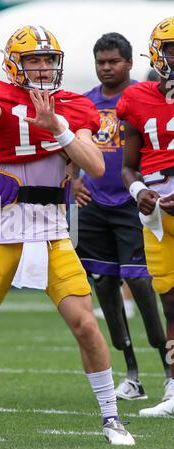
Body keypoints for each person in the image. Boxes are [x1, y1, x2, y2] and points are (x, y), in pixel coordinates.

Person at [0, 25, 135, 445]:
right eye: (34, 58)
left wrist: (59, 128)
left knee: (86, 326)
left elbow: (98, 165)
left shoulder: (72, 104)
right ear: (15, 63)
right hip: (4, 230)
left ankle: (110, 416)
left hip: (52, 231)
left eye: (49, 59)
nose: (44, 66)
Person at [72, 32, 172, 401]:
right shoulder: (85, 102)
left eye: (114, 61)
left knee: (145, 285)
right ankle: (131, 372)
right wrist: (73, 180)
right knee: (102, 282)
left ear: (130, 63)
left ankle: (167, 369)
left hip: (135, 203)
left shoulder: (143, 97)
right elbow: (69, 146)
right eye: (101, 62)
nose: (106, 68)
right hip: (95, 204)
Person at [117, 16, 174, 416]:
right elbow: (128, 166)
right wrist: (139, 192)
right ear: (158, 51)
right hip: (157, 215)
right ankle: (173, 389)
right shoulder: (137, 99)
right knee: (170, 304)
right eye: (172, 47)